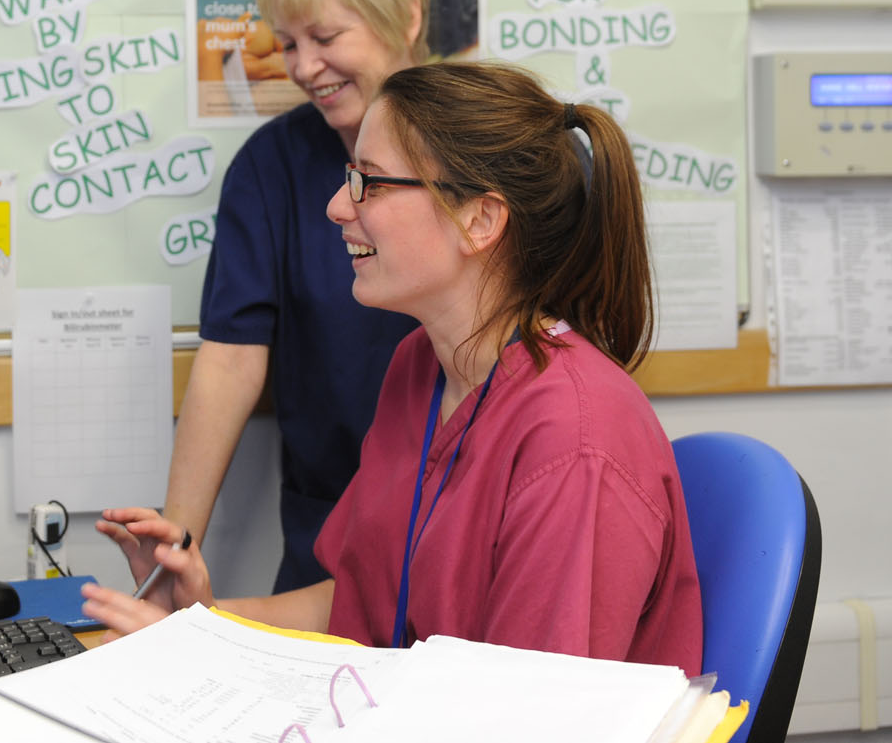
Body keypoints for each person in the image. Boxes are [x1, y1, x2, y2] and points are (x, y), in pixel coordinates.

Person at [85, 61, 703, 673]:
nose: (335, 206)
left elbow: (529, 711)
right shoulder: (422, 368)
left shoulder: (575, 444)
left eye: (370, 184)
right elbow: (359, 609)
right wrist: (201, 625)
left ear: (479, 220)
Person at [164, 0, 430, 592]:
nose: (304, 66)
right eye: (287, 43)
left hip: (465, 516)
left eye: (326, 36)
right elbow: (229, 359)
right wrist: (171, 556)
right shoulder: (271, 167)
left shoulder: (488, 151)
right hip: (330, 526)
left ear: (406, 17)